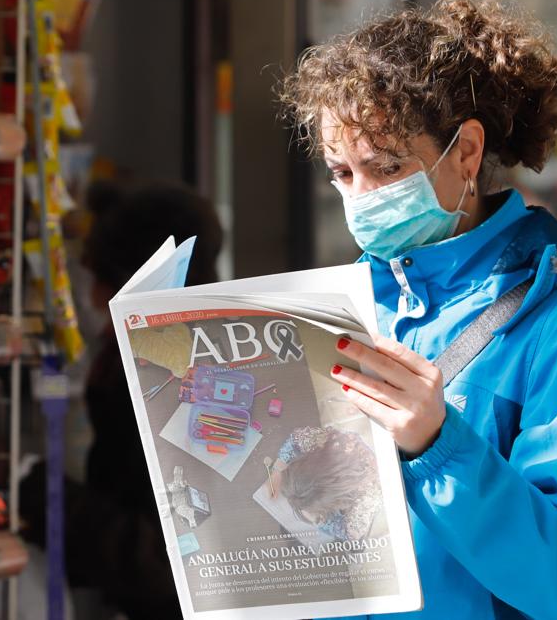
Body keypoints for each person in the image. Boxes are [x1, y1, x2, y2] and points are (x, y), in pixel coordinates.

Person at [279, 0, 557, 619]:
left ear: (466, 153)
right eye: (342, 173)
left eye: (387, 167)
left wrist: (438, 445)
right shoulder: (350, 300)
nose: (363, 198)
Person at [20, 180, 223, 619]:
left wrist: (38, 491)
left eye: (101, 280)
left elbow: (167, 562)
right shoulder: (167, 360)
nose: (91, 301)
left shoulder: (189, 386)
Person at [270, 425, 383, 541]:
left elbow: (352, 534)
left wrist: (319, 520)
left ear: (334, 502)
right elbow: (294, 439)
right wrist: (277, 469)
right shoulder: (323, 442)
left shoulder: (369, 495)